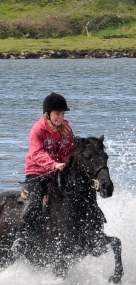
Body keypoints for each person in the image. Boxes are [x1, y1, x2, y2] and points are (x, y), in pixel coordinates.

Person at [19, 92, 75, 241]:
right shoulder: (38, 130)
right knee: (34, 204)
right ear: (48, 114)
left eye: (62, 114)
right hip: (37, 173)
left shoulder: (67, 129)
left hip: (58, 171)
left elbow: (70, 150)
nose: (60, 117)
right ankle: (22, 238)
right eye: (57, 114)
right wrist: (54, 164)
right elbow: (36, 154)